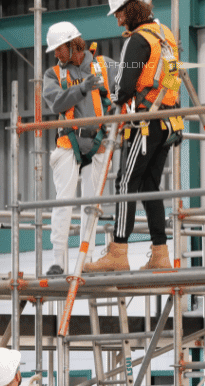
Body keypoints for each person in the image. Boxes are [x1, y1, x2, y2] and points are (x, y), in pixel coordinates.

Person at [83, 0, 183, 274]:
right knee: (150, 186)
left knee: (125, 183)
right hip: (168, 119)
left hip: (145, 122)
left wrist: (112, 92)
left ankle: (118, 251)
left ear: (129, 10)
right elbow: (173, 78)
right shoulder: (165, 36)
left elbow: (124, 88)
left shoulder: (137, 41)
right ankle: (161, 254)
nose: (117, 19)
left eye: (118, 13)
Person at [43, 21, 119, 276]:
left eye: (58, 48)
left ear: (72, 44)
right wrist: (82, 88)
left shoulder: (104, 65)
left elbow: (132, 73)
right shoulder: (53, 74)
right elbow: (55, 103)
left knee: (91, 205)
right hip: (68, 143)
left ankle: (84, 259)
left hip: (98, 144)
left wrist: (169, 62)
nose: (55, 54)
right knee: (63, 201)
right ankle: (58, 262)